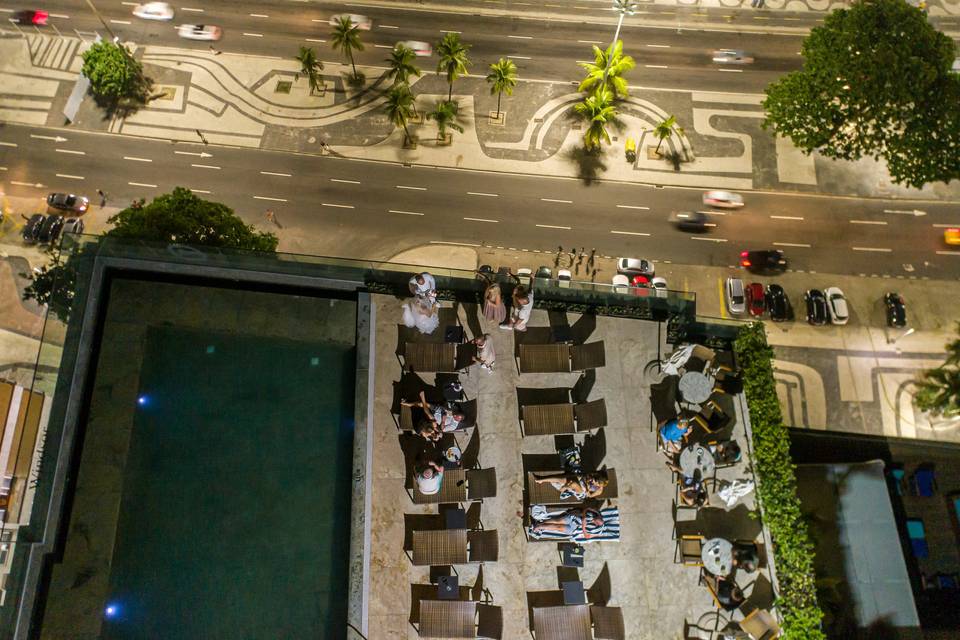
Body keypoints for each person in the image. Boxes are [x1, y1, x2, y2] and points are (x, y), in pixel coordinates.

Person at [529, 507, 605, 539]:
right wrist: (584, 516)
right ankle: (539, 523)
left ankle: (539, 526)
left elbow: (587, 536)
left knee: (558, 527)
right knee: (557, 521)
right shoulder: (594, 513)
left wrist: (583, 527)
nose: (596, 520)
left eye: (598, 521)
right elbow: (586, 508)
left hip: (574, 528)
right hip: (573, 518)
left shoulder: (596, 530)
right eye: (598, 519)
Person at [534, 470, 608, 500]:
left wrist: (587, 487)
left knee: (573, 483)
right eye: (594, 478)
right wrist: (585, 479)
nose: (593, 480)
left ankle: (563, 488)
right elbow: (585, 477)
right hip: (581, 482)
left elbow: (589, 495)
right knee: (563, 479)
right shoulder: (594, 476)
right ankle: (541, 480)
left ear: (599, 484)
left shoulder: (599, 490)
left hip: (582, 492)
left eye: (595, 481)